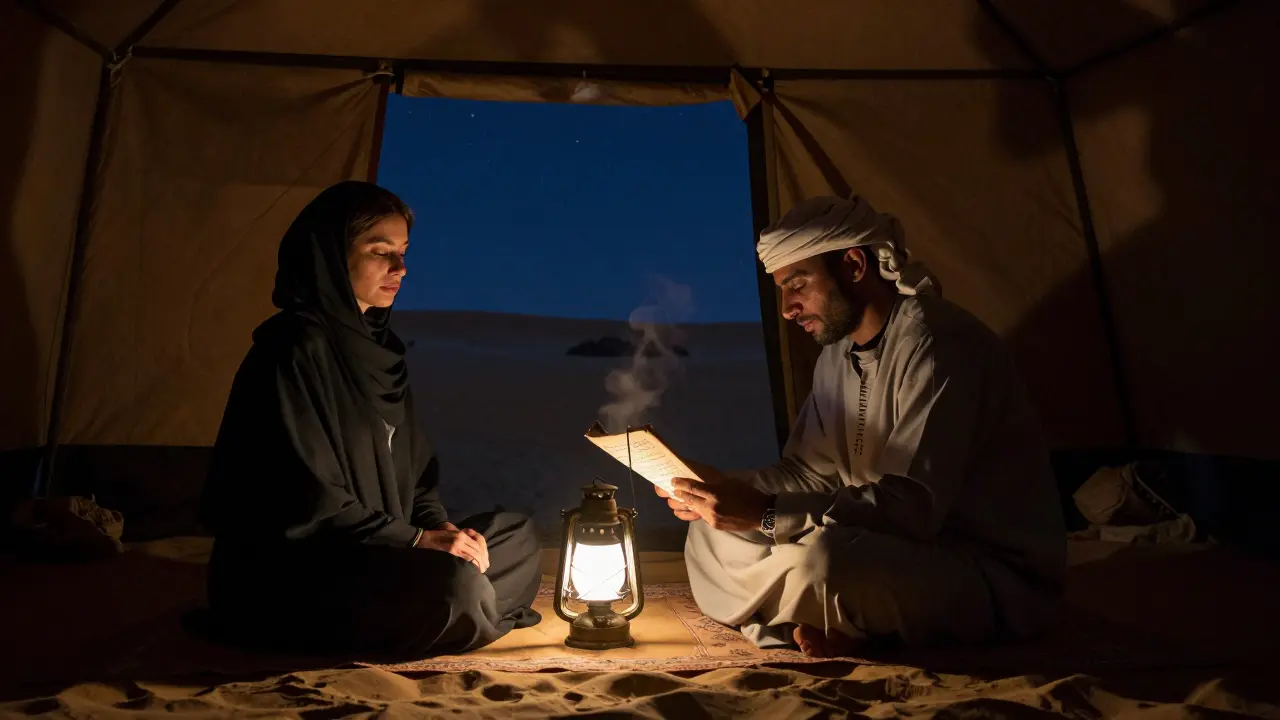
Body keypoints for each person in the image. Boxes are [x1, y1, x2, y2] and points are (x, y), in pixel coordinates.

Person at [664, 194, 1066, 658]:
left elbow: (913, 508)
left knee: (827, 563)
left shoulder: (937, 345)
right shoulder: (836, 355)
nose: (787, 309)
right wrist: (725, 488)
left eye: (798, 285)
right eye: (782, 291)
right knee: (709, 534)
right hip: (879, 537)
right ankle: (834, 621)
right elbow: (809, 472)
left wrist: (766, 513)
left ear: (854, 266)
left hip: (975, 566)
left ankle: (819, 615)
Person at [200, 181, 541, 658]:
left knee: (515, 537)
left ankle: (463, 607)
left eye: (402, 252)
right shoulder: (293, 350)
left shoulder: (381, 352)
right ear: (332, 256)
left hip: (389, 552)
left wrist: (442, 531)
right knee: (453, 587)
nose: (400, 268)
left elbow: (419, 481)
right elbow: (310, 502)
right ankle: (466, 607)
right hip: (310, 568)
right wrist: (421, 540)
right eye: (381, 252)